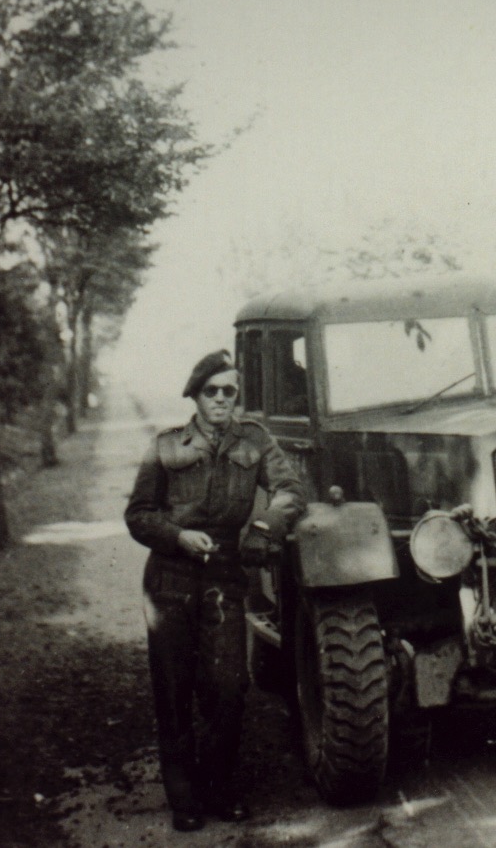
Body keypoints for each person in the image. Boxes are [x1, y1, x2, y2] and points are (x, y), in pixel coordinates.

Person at [125, 350, 305, 833]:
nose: (222, 399)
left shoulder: (255, 440)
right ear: (195, 396)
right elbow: (138, 515)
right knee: (173, 689)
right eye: (212, 391)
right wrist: (178, 536)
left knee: (228, 687)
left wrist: (264, 525)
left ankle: (219, 786)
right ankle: (183, 796)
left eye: (230, 391)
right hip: (170, 579)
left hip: (225, 577)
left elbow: (290, 489)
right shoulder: (166, 446)